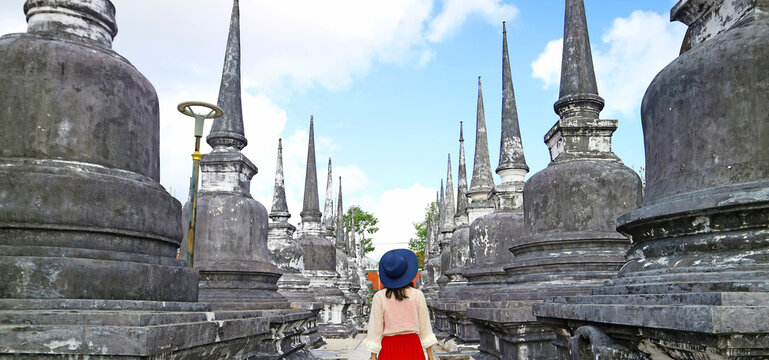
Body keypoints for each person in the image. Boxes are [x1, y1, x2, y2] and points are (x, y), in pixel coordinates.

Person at [363, 249, 438, 360]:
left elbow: (375, 329)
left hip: (388, 349)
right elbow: (425, 327)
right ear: (406, 271)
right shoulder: (418, 295)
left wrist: (373, 357)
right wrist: (430, 355)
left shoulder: (379, 296)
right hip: (413, 347)